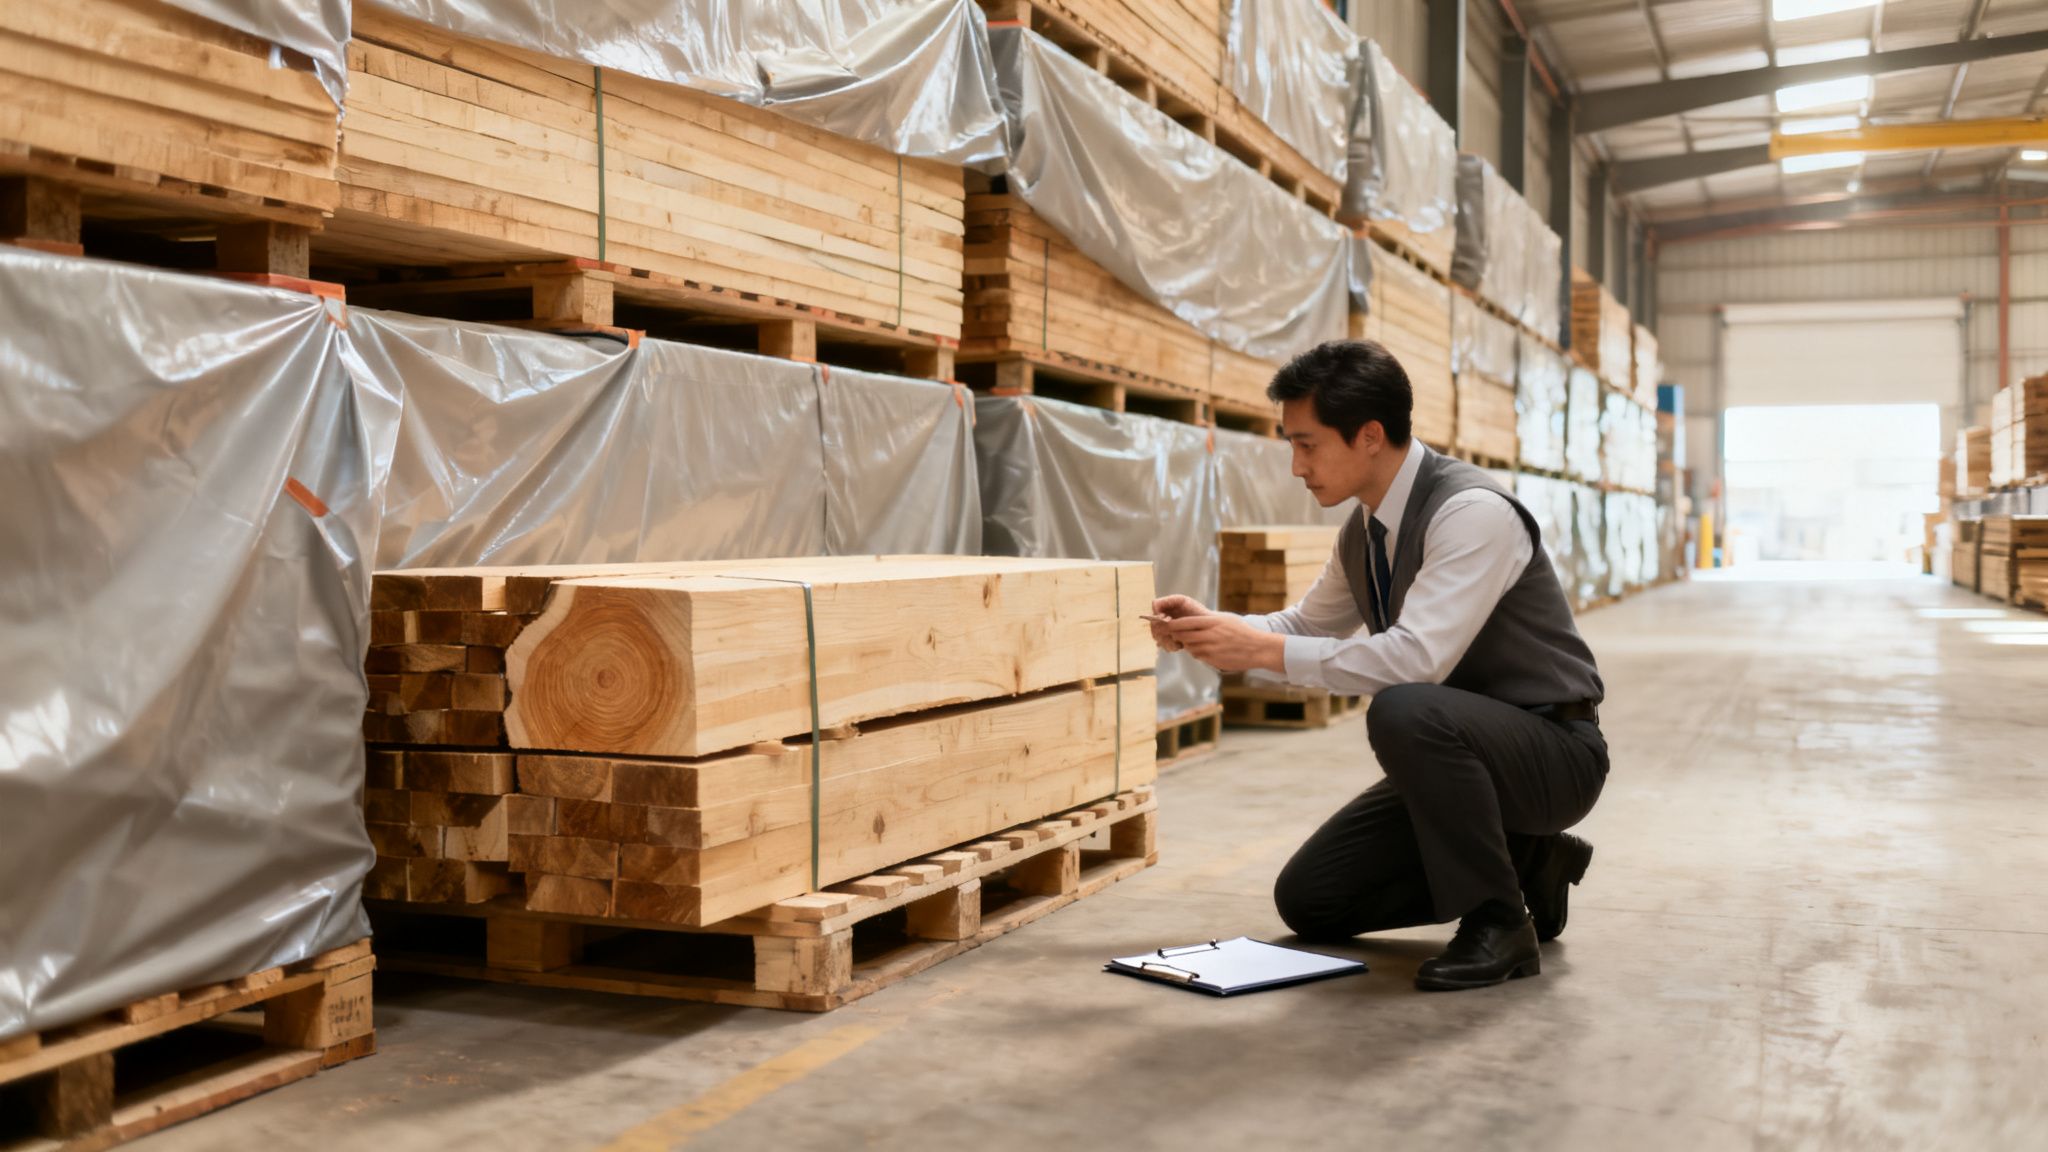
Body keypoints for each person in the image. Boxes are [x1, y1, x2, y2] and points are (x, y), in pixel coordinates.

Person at [1151, 339, 1607, 992]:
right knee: (1312, 902)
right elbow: (1305, 628)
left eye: (1306, 444)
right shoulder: (1364, 532)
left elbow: (1418, 656)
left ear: (1369, 436)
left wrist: (1260, 651)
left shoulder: (1471, 513)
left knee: (1404, 704)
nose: (1295, 466)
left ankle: (1499, 920)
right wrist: (1216, 630)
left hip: (1553, 750)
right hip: (1463, 752)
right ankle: (1528, 861)